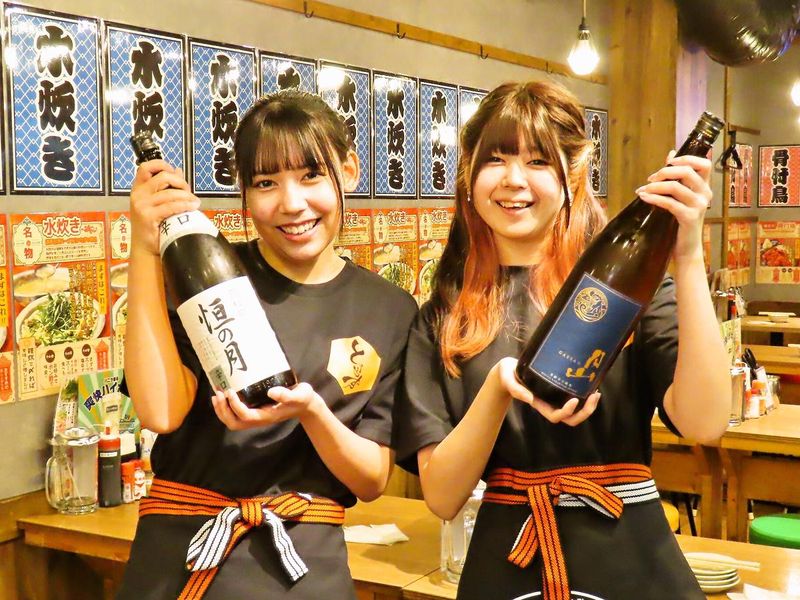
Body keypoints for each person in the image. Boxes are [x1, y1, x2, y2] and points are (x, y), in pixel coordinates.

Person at [394, 81, 730, 600]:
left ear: (573, 173)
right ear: (468, 173)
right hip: (508, 559)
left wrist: (686, 257)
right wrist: (499, 389)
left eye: (537, 161)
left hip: (630, 556)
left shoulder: (629, 288)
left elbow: (705, 423)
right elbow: (441, 496)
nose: (513, 180)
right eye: (496, 159)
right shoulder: (444, 316)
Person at [118, 90, 418, 599]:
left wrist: (312, 413)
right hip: (179, 563)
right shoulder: (206, 274)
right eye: (265, 183)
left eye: (311, 175)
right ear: (244, 191)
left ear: (348, 171)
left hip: (303, 570)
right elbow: (160, 413)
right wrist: (146, 249)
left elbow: (370, 480)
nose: (292, 203)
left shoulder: (389, 308)